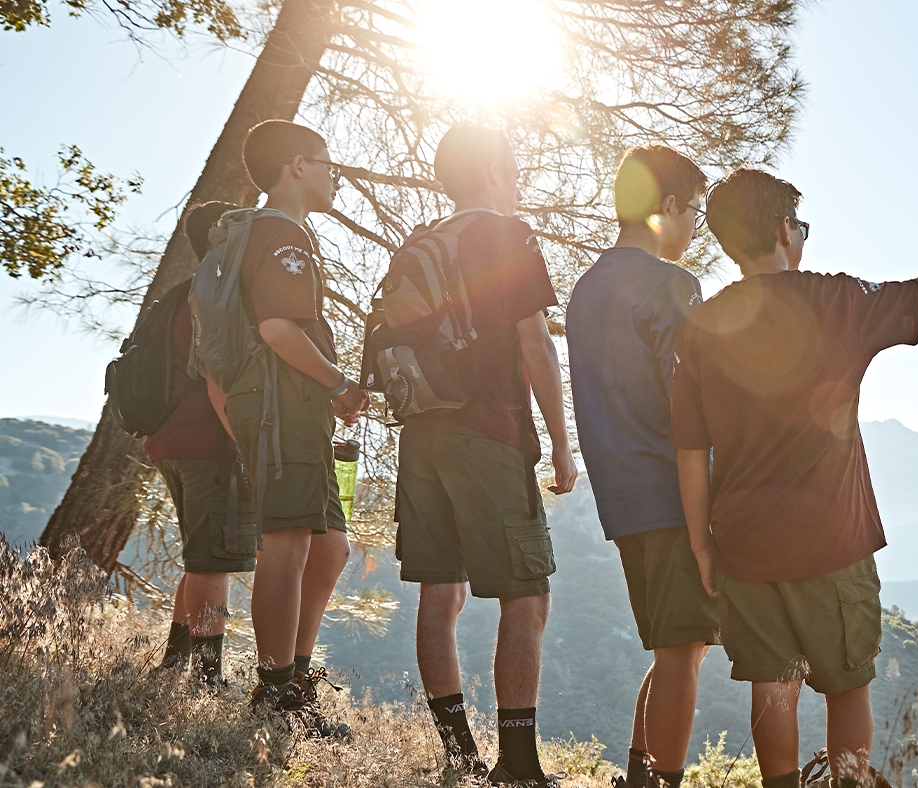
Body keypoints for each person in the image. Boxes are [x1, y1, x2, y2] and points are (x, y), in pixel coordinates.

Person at [670, 169, 918, 788]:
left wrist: (702, 546)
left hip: (743, 543)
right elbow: (916, 293)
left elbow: (691, 450)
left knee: (773, 689)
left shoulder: (700, 328)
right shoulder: (836, 300)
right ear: (784, 230)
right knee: (847, 685)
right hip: (832, 540)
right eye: (801, 225)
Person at [397, 125, 577, 786]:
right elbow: (536, 343)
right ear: (496, 170)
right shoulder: (507, 235)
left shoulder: (419, 243)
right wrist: (561, 442)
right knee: (526, 594)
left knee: (439, 591)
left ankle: (459, 754)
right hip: (489, 431)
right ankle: (519, 766)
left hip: (421, 433)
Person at [566, 145, 714, 788]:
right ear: (670, 205)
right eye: (696, 213)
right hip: (674, 488)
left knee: (670, 644)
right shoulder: (671, 284)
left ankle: (637, 773)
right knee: (684, 651)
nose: (695, 229)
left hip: (620, 494)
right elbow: (693, 399)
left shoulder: (586, 288)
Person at [227, 119, 367, 737]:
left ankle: (294, 676)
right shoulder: (282, 234)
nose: (335, 177)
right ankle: (275, 691)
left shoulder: (279, 234)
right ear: (298, 165)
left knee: (329, 546)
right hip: (278, 410)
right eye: (328, 163)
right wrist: (338, 384)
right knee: (286, 545)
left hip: (294, 409)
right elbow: (278, 328)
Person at [152, 200, 250, 686]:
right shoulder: (214, 297)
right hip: (208, 445)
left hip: (170, 443)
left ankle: (174, 665)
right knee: (213, 562)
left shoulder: (181, 294)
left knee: (199, 555)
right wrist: (246, 445)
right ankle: (207, 681)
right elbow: (218, 386)